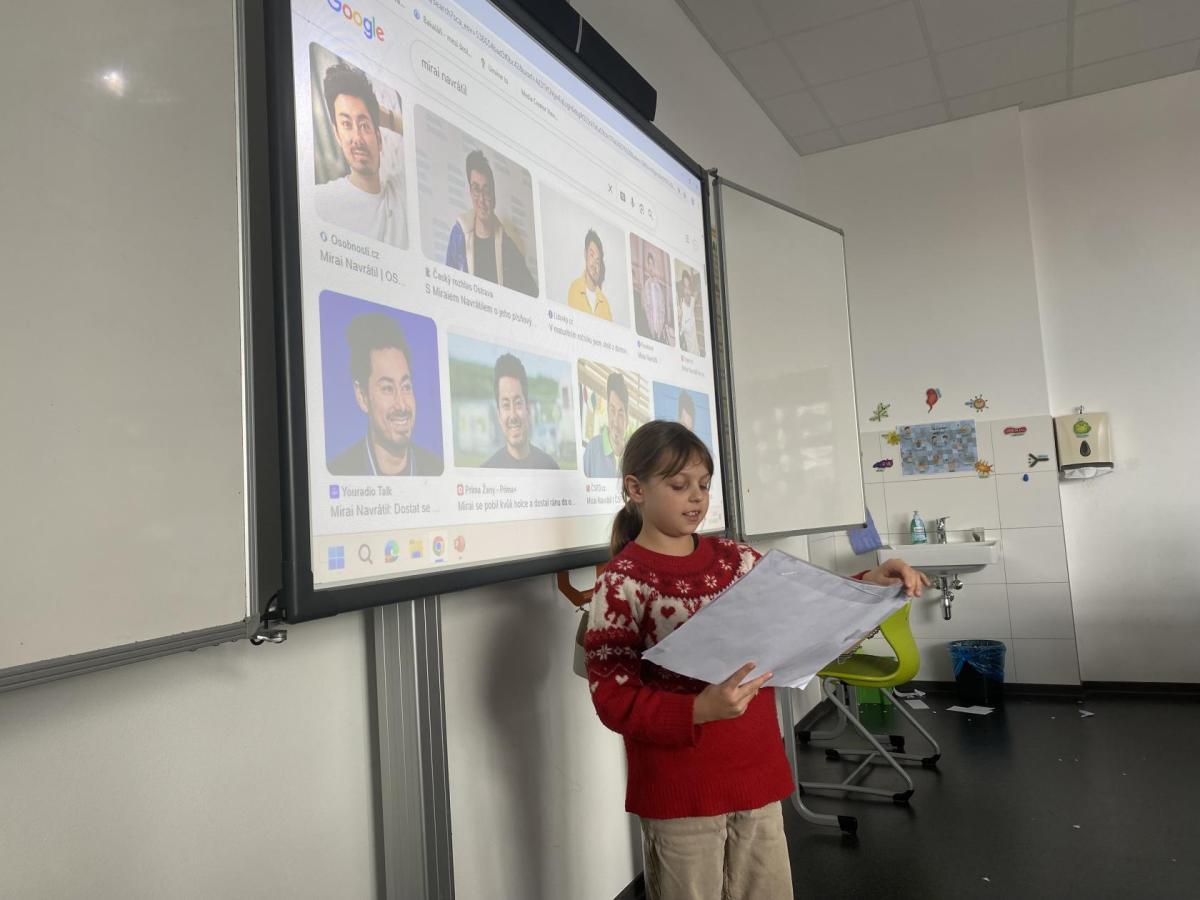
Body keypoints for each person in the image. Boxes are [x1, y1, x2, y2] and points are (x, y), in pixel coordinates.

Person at [583, 421, 929, 900]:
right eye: (679, 485)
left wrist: (871, 581)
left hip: (755, 778)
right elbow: (613, 699)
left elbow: (804, 610)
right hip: (681, 794)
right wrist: (697, 709)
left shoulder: (736, 560)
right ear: (636, 489)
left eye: (704, 485)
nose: (696, 497)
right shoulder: (619, 582)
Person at [327, 313, 443, 476]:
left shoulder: (436, 470)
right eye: (388, 388)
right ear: (362, 396)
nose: (402, 405)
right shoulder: (339, 472)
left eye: (406, 387)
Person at [313, 62, 408, 248]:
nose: (357, 138)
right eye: (346, 124)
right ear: (337, 135)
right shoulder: (322, 200)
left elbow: (422, 142)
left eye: (364, 125)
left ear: (379, 139)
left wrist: (384, 117)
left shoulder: (399, 191)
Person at [445, 150, 538, 297]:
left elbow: (532, 292)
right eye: (476, 189)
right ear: (470, 192)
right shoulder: (459, 235)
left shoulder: (507, 245)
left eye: (486, 191)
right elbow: (447, 287)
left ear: (494, 198)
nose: (481, 200)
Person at [482, 353, 560, 469]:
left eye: (518, 403)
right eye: (506, 405)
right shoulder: (486, 471)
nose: (513, 415)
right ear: (499, 415)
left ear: (527, 409)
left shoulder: (550, 467)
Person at [582, 371, 629, 478]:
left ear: (627, 418)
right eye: (612, 410)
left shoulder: (633, 454)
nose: (615, 421)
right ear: (607, 412)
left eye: (620, 413)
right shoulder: (592, 449)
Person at [566, 229, 612, 320]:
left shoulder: (605, 304)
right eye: (591, 255)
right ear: (585, 254)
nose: (594, 264)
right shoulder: (574, 288)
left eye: (598, 260)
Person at [635, 250, 674, 345]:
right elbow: (645, 307)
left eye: (652, 264)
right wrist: (650, 323)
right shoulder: (646, 285)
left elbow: (662, 307)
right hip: (650, 325)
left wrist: (661, 324)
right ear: (648, 267)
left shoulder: (658, 286)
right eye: (649, 264)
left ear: (654, 266)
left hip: (659, 324)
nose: (651, 267)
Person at [677, 269, 703, 355]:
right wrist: (679, 319)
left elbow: (699, 287)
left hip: (698, 351)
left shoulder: (692, 300)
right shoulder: (681, 306)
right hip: (689, 354)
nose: (687, 291)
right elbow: (679, 330)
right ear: (682, 288)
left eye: (688, 287)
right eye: (685, 287)